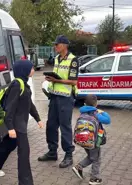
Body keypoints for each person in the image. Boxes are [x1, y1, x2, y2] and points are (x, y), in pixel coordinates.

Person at [0, 60, 44, 185]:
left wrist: (38, 119)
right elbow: (9, 108)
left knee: (9, 145)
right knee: (24, 154)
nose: (33, 69)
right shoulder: (17, 85)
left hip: (20, 124)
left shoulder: (24, 84)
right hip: (18, 126)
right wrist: (11, 127)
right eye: (31, 68)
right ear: (24, 70)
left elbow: (29, 104)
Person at [38, 35, 79, 168]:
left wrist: (57, 80)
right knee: (51, 125)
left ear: (64, 45)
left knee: (64, 126)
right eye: (55, 45)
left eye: (57, 44)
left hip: (66, 97)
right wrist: (51, 80)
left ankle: (68, 155)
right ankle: (52, 152)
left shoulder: (73, 60)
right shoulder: (56, 59)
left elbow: (74, 81)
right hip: (54, 96)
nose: (55, 47)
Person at [72, 94, 111, 185]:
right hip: (94, 141)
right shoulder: (97, 114)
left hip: (84, 140)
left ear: (85, 104)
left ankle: (79, 167)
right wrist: (102, 112)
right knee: (96, 159)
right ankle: (94, 178)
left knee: (91, 156)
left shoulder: (83, 113)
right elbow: (108, 120)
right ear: (96, 104)